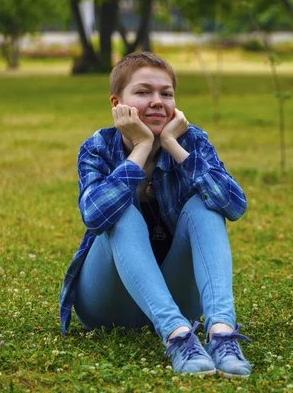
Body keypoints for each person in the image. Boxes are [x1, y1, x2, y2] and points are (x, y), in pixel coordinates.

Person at [58, 52, 252, 378]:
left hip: (177, 294)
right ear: (117, 102)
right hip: (107, 303)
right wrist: (142, 147)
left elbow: (234, 205)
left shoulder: (191, 141)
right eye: (143, 92)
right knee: (121, 213)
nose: (157, 101)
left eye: (166, 93)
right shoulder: (97, 147)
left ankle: (221, 333)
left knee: (206, 206)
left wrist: (174, 145)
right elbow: (93, 215)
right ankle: (177, 336)